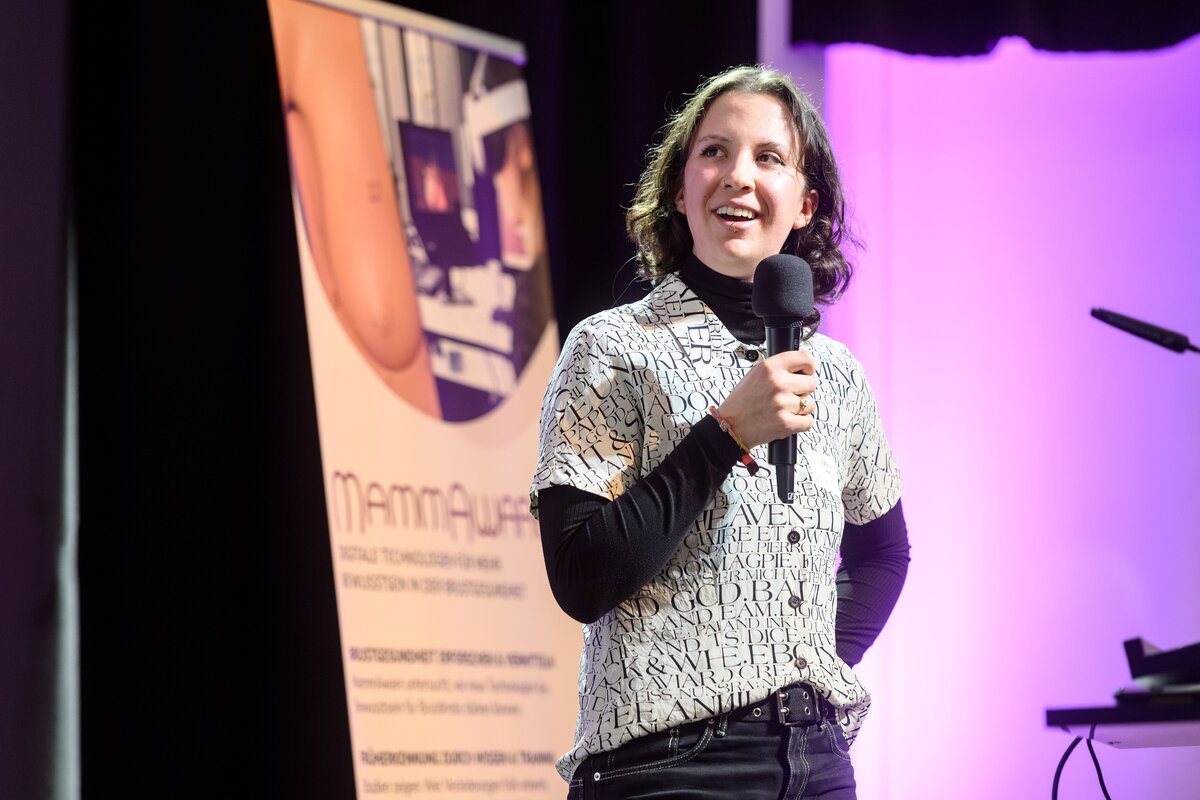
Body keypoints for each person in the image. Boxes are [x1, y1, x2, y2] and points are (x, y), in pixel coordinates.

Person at [530, 65, 909, 799]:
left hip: (816, 759)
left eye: (768, 157)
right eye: (714, 152)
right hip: (669, 765)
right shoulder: (612, 348)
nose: (738, 175)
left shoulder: (836, 374)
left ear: (804, 203)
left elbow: (884, 551)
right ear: (681, 190)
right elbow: (581, 576)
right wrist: (727, 431)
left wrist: (791, 660)